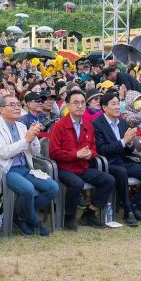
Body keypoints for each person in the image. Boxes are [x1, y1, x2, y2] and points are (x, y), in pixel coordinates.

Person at [0, 93, 57, 236]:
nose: (17, 107)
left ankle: (19, 216)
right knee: (28, 189)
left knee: (52, 187)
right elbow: (4, 152)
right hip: (7, 170)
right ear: (1, 110)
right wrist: (26, 140)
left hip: (26, 168)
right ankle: (35, 221)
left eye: (18, 104)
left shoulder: (22, 126)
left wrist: (34, 137)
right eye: (12, 105)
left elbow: (35, 152)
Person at [47, 89, 114, 230]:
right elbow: (53, 153)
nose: (80, 106)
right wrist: (75, 154)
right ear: (67, 105)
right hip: (63, 168)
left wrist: (91, 153)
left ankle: (89, 213)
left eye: (83, 103)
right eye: (76, 103)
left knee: (108, 179)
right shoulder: (59, 126)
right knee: (76, 184)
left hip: (82, 166)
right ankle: (69, 216)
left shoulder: (88, 124)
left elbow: (94, 148)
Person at [92, 90, 141, 226]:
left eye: (118, 103)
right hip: (107, 163)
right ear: (104, 107)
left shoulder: (122, 123)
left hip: (123, 160)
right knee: (121, 172)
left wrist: (128, 143)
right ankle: (127, 209)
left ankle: (136, 207)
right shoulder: (97, 124)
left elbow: (128, 149)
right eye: (113, 104)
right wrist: (123, 142)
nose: (117, 107)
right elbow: (101, 150)